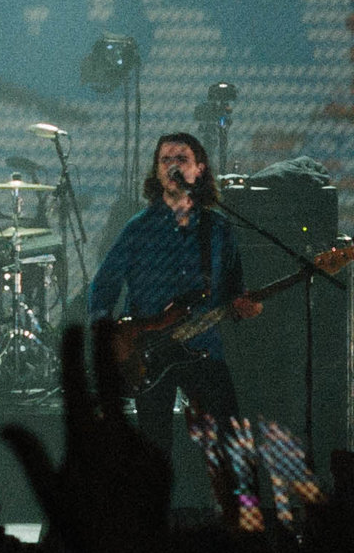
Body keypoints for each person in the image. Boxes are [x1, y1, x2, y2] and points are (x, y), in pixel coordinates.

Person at [85, 133, 263, 488]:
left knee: (230, 441)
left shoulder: (219, 228)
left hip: (203, 346)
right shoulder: (138, 227)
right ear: (156, 171)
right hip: (149, 350)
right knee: (153, 447)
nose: (172, 166)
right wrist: (112, 340)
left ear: (199, 169)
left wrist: (245, 306)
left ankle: (240, 523)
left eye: (181, 158)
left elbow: (233, 289)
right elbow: (102, 287)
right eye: (165, 159)